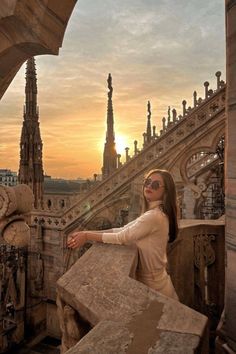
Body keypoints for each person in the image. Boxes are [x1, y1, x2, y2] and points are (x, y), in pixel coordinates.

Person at [67, 169, 179, 301]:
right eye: (147, 182)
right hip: (157, 285)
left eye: (155, 185)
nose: (149, 186)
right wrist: (85, 233)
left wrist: (87, 236)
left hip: (157, 291)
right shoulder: (155, 213)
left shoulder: (154, 216)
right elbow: (121, 230)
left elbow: (121, 237)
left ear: (165, 192)